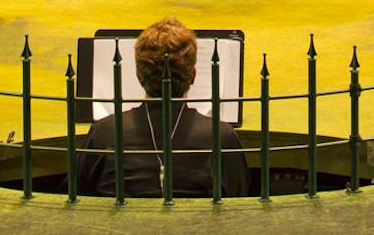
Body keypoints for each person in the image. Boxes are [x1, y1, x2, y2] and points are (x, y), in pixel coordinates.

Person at [75, 18, 250, 199]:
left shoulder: (104, 133)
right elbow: (240, 199)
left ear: (138, 76)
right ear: (193, 76)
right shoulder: (221, 136)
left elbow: (78, 195)